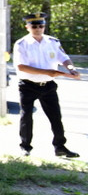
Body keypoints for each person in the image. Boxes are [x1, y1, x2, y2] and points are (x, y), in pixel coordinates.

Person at [13, 11, 81, 158]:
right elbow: (21, 66)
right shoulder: (22, 44)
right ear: (27, 27)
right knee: (26, 116)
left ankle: (60, 146)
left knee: (56, 116)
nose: (38, 28)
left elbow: (64, 57)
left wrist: (71, 69)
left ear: (44, 26)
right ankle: (25, 147)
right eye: (34, 26)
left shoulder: (53, 42)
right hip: (28, 85)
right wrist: (47, 71)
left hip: (48, 85)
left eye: (41, 25)